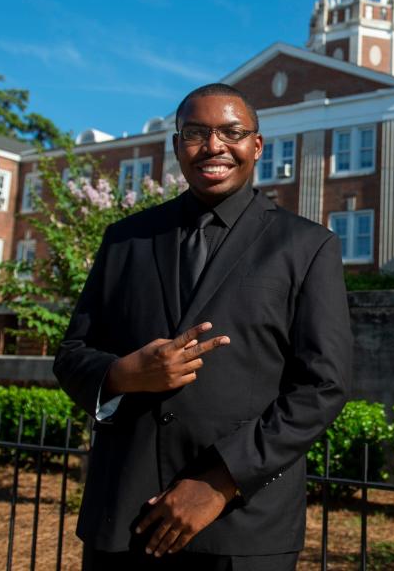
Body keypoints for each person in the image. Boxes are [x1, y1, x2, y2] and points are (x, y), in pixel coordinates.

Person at [54, 83, 353, 570]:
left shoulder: (307, 246)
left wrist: (220, 481)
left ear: (256, 145)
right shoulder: (126, 239)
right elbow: (71, 355)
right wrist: (124, 374)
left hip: (242, 525)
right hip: (125, 519)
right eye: (195, 133)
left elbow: (323, 386)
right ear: (176, 147)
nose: (213, 146)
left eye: (231, 132)